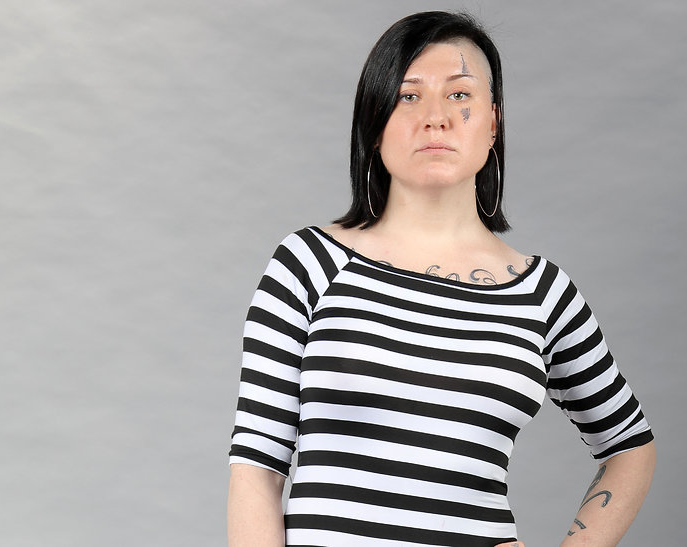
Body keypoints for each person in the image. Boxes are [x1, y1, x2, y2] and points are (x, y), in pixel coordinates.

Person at [227, 11, 655, 547]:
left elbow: (629, 446)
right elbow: (256, 468)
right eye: (408, 96)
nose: (435, 118)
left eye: (458, 95)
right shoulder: (310, 264)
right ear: (374, 123)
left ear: (493, 123)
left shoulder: (541, 294)